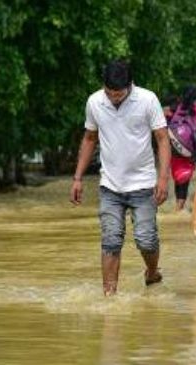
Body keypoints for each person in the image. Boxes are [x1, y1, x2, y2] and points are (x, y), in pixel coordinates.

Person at [70, 60, 170, 296]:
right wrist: (77, 178)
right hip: (110, 186)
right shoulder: (95, 102)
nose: (114, 97)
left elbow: (162, 139)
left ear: (130, 85)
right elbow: (89, 139)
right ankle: (109, 295)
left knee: (146, 239)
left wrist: (163, 179)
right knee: (110, 241)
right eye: (109, 93)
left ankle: (152, 271)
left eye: (119, 93)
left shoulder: (147, 99)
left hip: (143, 184)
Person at [168, 85, 196, 212]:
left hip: (174, 148)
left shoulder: (175, 107)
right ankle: (180, 204)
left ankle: (178, 203)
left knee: (178, 175)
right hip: (190, 149)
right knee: (185, 176)